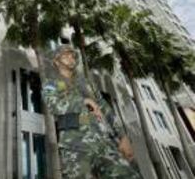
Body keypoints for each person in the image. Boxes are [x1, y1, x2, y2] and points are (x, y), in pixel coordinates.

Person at [42, 44, 142, 178]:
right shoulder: (51, 84)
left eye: (72, 55)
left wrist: (122, 136)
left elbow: (106, 110)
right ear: (56, 61)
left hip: (105, 144)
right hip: (75, 147)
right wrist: (82, 101)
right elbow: (54, 106)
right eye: (65, 55)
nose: (71, 58)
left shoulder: (87, 84)